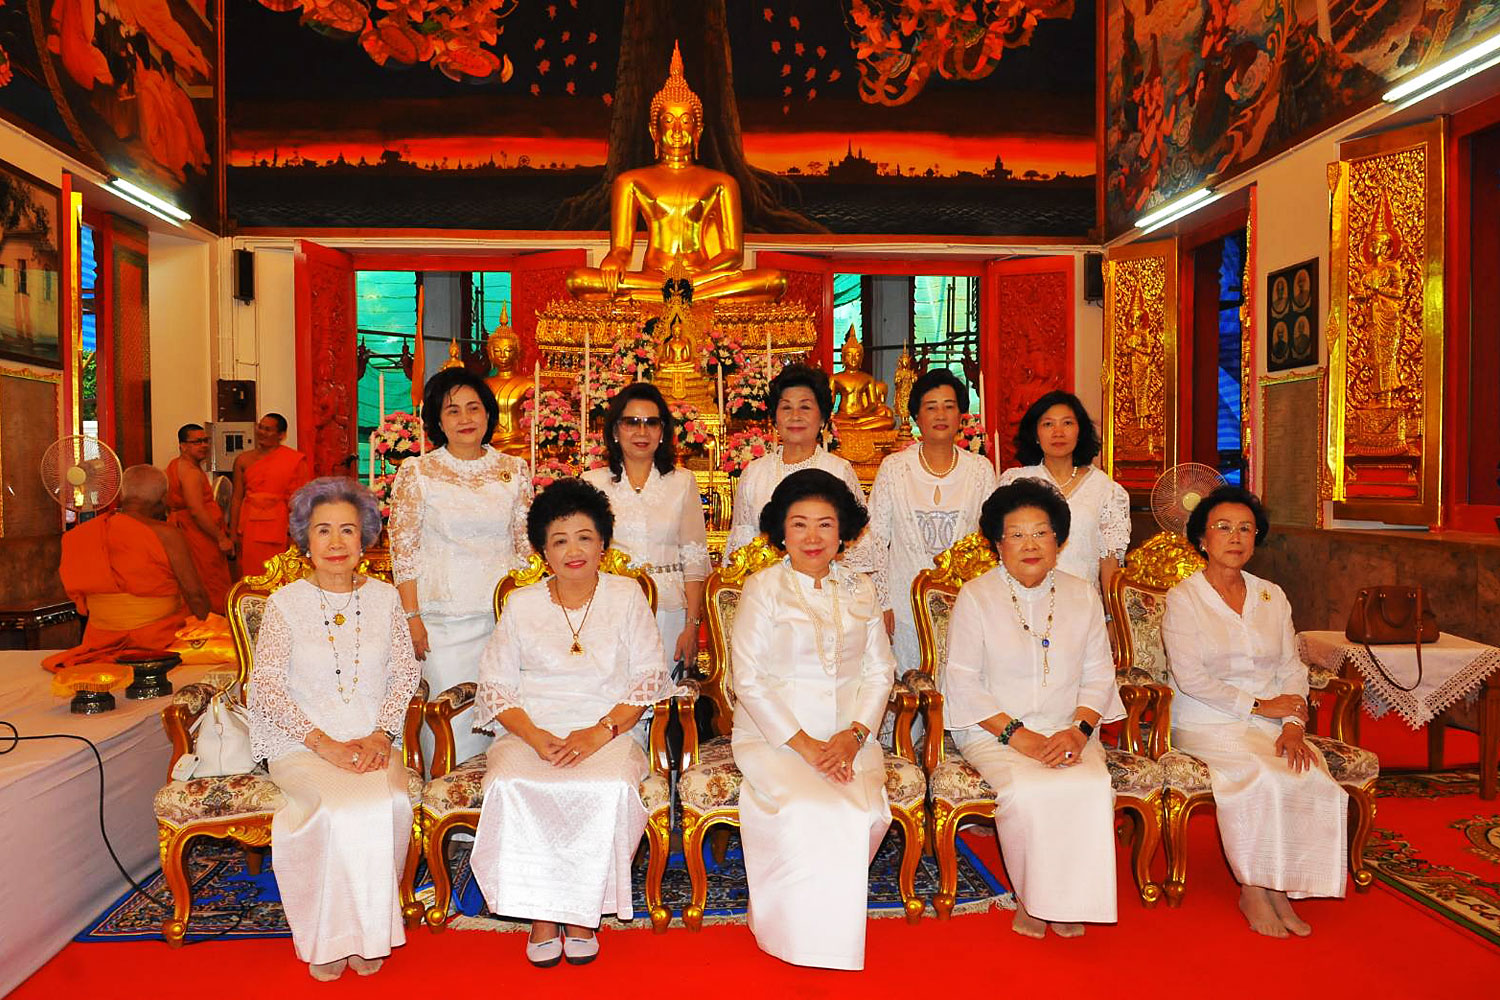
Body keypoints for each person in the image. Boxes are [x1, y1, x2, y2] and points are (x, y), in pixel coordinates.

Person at [470, 478, 672, 966]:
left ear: (603, 543)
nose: (573, 550)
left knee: (605, 786)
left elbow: (648, 678)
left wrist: (596, 732)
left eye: (584, 536)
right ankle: (541, 913)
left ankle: (583, 913)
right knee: (512, 782)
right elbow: (496, 687)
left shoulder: (627, 597)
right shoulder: (522, 604)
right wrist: (538, 738)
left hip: (610, 729)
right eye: (559, 540)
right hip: (531, 730)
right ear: (543, 551)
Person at [247, 478, 420, 981]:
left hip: (372, 740)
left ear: (366, 537)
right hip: (302, 743)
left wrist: (381, 736)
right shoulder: (285, 603)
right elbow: (268, 688)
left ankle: (368, 934)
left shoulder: (387, 599)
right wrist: (322, 744)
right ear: (305, 539)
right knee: (336, 807)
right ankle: (327, 938)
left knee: (383, 803)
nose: (337, 542)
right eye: (324, 530)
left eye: (348, 529)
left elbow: (405, 673)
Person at [940, 479, 1125, 938]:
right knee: (1029, 791)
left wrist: (1079, 731)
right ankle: (1034, 901)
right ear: (998, 543)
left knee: (1089, 784)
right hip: (993, 732)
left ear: (1059, 541)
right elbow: (962, 680)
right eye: (1017, 534)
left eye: (1041, 533)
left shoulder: (1082, 593)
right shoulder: (976, 596)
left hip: (1068, 728)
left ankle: (1069, 902)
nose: (1030, 545)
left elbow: (1100, 674)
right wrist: (1018, 736)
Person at [1162, 485, 1347, 939]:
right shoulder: (1184, 598)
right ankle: (1253, 887)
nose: (1235, 537)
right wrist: (1259, 706)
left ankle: (1279, 885)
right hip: (1208, 719)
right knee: (1262, 775)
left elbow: (1291, 668)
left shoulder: (1272, 596)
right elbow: (1191, 678)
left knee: (1308, 773)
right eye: (1223, 528)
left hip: (1272, 722)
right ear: (1202, 539)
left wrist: (1293, 725)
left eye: (1246, 528)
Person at [731, 469, 895, 970]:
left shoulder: (861, 588)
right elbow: (749, 680)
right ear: (781, 531)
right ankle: (790, 930)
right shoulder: (763, 588)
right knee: (809, 807)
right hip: (774, 736)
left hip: (850, 735)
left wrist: (853, 735)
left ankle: (825, 931)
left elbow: (880, 670)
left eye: (825, 525)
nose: (812, 537)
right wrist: (805, 746)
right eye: (799, 524)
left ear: (843, 532)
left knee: (863, 813)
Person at [389, 368, 533, 768]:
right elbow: (404, 550)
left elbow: (525, 550)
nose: (466, 418)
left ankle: (495, 813)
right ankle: (445, 817)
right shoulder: (416, 471)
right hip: (442, 623)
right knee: (450, 722)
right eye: (453, 410)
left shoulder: (514, 470)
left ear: (489, 414)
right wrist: (412, 617)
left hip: (501, 618)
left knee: (505, 719)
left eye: (474, 408)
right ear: (437, 419)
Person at [868, 369, 997, 674]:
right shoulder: (894, 467)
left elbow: (990, 542)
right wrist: (882, 601)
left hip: (964, 602)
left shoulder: (980, 469)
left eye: (949, 406)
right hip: (902, 602)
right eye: (931, 406)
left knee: (960, 683)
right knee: (909, 687)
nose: (941, 414)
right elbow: (874, 537)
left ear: (962, 415)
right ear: (916, 416)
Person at [583, 383, 710, 667]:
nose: (642, 432)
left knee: (661, 695)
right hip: (608, 608)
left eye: (651, 423)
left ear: (662, 432)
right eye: (632, 423)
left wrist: (691, 626)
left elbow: (694, 558)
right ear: (615, 431)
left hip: (669, 609)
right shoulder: (592, 483)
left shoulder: (682, 482)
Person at [43, 466, 210, 672]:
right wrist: (209, 632)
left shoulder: (82, 534)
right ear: (163, 499)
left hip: (101, 642)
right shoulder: (167, 534)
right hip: (160, 640)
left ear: (121, 494)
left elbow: (79, 594)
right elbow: (195, 596)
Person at [723, 363, 869, 563]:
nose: (795, 416)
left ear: (822, 418)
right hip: (769, 588)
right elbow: (740, 549)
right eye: (786, 408)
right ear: (774, 419)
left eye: (805, 407)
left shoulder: (838, 470)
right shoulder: (755, 474)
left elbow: (858, 549)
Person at [1001, 390, 1130, 598]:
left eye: (1067, 423)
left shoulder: (1106, 489)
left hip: (1084, 603)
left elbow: (1109, 565)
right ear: (1035, 434)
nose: (1058, 432)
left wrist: (1111, 618)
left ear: (1080, 431)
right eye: (1048, 424)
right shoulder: (1015, 482)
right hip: (1025, 601)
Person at [230, 413, 311, 578]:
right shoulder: (243, 460)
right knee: (251, 576)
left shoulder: (294, 460)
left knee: (279, 576)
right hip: (250, 527)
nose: (262, 432)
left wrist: (298, 532)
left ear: (281, 435)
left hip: (280, 528)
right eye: (260, 427)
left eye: (268, 429)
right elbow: (237, 497)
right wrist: (232, 532)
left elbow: (301, 501)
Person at [165, 423, 233, 612]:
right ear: (183, 445)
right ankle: (212, 625)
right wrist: (221, 538)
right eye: (197, 442)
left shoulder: (177, 465)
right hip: (198, 535)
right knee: (210, 581)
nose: (203, 445)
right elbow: (196, 510)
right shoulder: (190, 472)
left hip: (186, 530)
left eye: (205, 441)